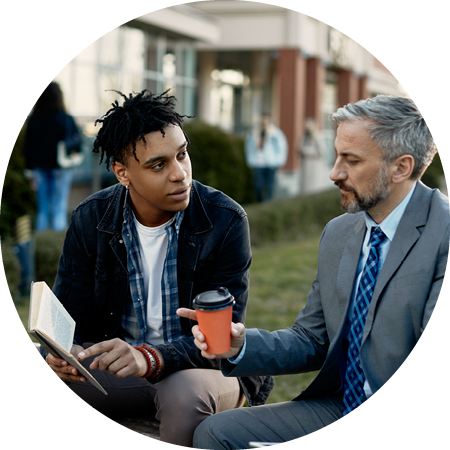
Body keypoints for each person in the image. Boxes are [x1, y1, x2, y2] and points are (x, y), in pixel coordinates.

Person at [178, 94, 450, 448]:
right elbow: (313, 339)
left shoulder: (444, 233)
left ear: (401, 167)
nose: (335, 172)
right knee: (216, 434)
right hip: (343, 410)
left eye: (351, 160)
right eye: (336, 155)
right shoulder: (340, 232)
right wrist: (239, 344)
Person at [41, 89, 274, 450]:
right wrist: (57, 356)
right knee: (31, 387)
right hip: (122, 373)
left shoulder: (224, 220)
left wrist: (149, 358)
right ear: (122, 173)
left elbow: (217, 341)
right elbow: (69, 316)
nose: (180, 174)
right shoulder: (92, 218)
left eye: (182, 155)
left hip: (202, 371)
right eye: (158, 165)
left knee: (182, 393)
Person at [23, 81, 81, 232]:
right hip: (61, 167)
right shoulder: (66, 118)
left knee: (42, 208)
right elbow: (77, 143)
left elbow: (28, 148)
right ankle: (57, 250)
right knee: (59, 207)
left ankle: (42, 247)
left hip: (39, 169)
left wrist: (29, 172)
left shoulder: (34, 120)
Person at [244, 113, 288, 202]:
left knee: (270, 186)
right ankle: (260, 203)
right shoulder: (254, 132)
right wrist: (250, 160)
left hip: (271, 163)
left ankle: (268, 204)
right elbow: (248, 147)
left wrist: (280, 161)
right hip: (258, 162)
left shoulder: (275, 132)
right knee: (258, 185)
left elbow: (282, 147)